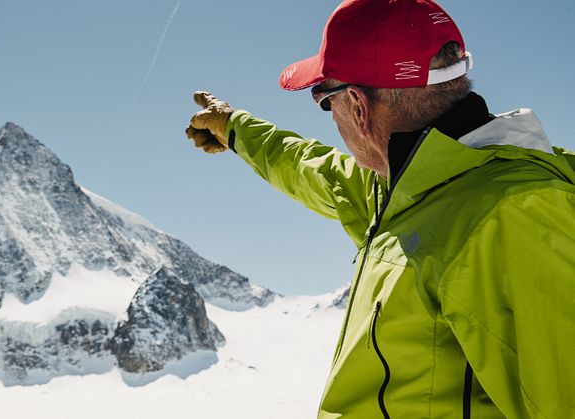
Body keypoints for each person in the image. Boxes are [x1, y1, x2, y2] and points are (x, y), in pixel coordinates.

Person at [184, 0, 575, 417]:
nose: (330, 118)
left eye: (323, 100)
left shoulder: (514, 212)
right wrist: (235, 130)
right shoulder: (403, 186)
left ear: (357, 105)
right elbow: (312, 168)